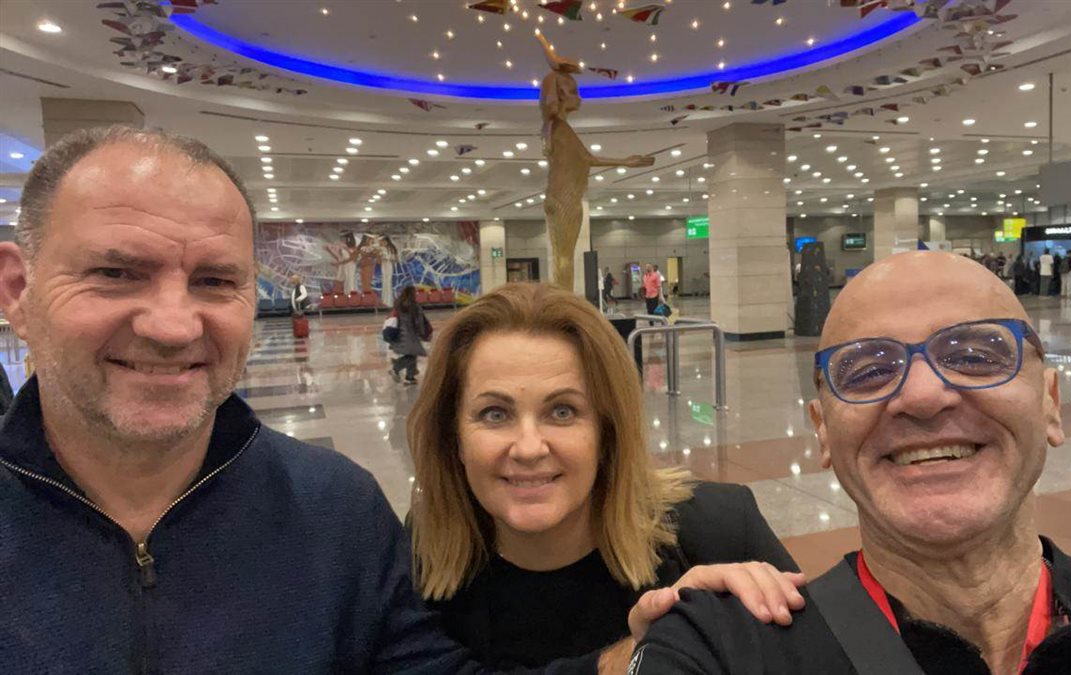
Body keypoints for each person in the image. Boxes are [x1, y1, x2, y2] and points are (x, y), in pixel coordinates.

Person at [0, 125, 786, 674]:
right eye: (115, 272)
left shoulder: (334, 512)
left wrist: (643, 656)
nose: (173, 324)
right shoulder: (421, 551)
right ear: (16, 289)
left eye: (214, 280)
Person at [633, 251, 1071, 674]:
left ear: (1050, 402)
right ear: (823, 430)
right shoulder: (719, 649)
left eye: (975, 355)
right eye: (867, 370)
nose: (924, 396)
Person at [408, 282, 804, 671]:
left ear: (607, 432)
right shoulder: (424, 552)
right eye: (495, 414)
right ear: (453, 437)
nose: (529, 448)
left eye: (562, 412)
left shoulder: (718, 531)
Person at [384, 285, 429, 385]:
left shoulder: (398, 304)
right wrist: (422, 333)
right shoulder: (414, 306)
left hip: (399, 333)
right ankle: (396, 367)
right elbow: (419, 322)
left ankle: (410, 377)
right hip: (410, 334)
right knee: (412, 355)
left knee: (412, 354)